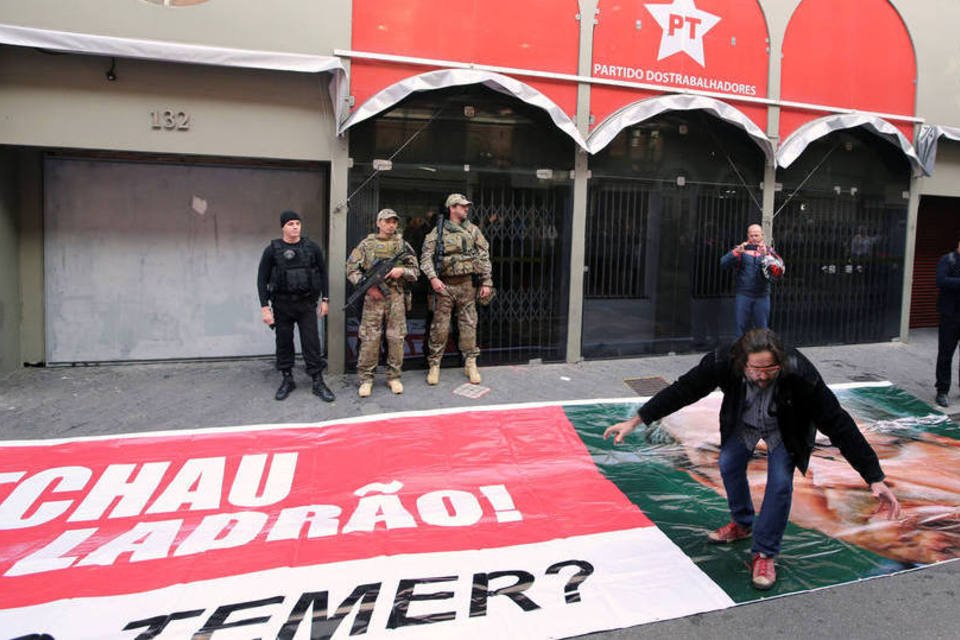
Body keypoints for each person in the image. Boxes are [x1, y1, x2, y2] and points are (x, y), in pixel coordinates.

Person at [603, 328, 901, 591]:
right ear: (741, 362)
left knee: (780, 484)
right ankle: (742, 523)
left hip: (785, 427)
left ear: (781, 362)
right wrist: (639, 418)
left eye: (769, 369)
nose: (761, 375)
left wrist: (873, 476)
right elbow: (684, 389)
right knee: (728, 464)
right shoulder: (722, 362)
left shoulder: (800, 373)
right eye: (755, 369)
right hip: (743, 422)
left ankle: (765, 554)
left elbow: (838, 423)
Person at [257, 210, 335, 402]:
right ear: (283, 226)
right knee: (283, 342)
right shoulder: (272, 250)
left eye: (297, 223)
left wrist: (325, 300)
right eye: (290, 223)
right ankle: (287, 379)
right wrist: (264, 307)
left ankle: (317, 380)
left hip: (306, 304)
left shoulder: (312, 248)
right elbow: (261, 279)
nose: (295, 227)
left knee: (311, 342)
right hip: (282, 305)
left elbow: (324, 274)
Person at [419, 193, 494, 386]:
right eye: (462, 206)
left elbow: (483, 256)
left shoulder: (473, 230)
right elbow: (426, 256)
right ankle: (434, 364)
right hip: (444, 286)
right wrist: (433, 278)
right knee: (440, 327)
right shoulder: (438, 230)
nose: (466, 209)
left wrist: (486, 282)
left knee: (469, 325)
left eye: (467, 206)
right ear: (452, 208)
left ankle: (470, 363)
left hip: (467, 285)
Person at [346, 208, 420, 397]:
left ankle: (394, 377)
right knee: (370, 339)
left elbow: (416, 271)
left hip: (396, 296)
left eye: (394, 222)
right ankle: (366, 379)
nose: (391, 225)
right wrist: (368, 288)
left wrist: (401, 271)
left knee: (396, 338)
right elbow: (351, 269)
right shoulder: (366, 245)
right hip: (373, 299)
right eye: (387, 221)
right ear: (378, 223)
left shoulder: (402, 244)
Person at [720, 224, 784, 337]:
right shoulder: (741, 249)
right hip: (744, 294)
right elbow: (723, 263)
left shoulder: (769, 250)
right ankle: (739, 353)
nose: (754, 238)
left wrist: (767, 255)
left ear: (762, 236)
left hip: (762, 295)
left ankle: (761, 353)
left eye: (757, 235)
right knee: (740, 328)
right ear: (747, 236)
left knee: (762, 329)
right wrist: (736, 252)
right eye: (751, 235)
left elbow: (779, 271)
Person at [935, 240, 960, 407]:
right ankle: (942, 391)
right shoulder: (948, 260)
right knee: (945, 355)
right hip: (950, 316)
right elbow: (941, 280)